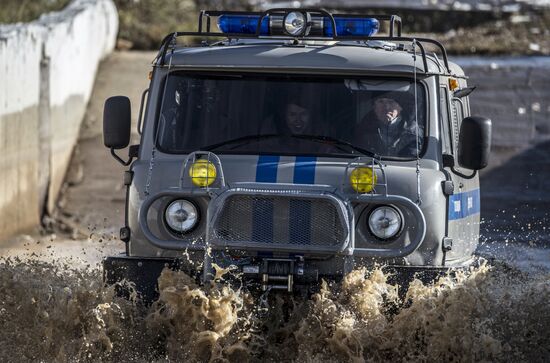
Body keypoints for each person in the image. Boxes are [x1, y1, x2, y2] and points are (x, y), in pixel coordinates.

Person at [355, 92, 423, 157]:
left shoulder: (413, 132)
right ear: (374, 107)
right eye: (381, 102)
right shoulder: (363, 129)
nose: (386, 107)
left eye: (391, 102)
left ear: (400, 107)